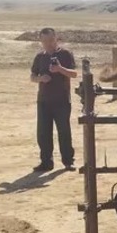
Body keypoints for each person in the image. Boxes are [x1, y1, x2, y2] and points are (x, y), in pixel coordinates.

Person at [29, 27, 77, 172]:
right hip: (43, 101)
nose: (48, 43)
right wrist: (40, 79)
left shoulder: (65, 54)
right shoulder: (39, 57)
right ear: (41, 41)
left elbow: (74, 74)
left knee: (64, 131)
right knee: (43, 133)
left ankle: (68, 161)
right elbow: (32, 76)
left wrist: (60, 69)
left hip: (62, 100)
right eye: (45, 41)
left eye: (51, 40)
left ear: (56, 38)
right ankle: (46, 162)